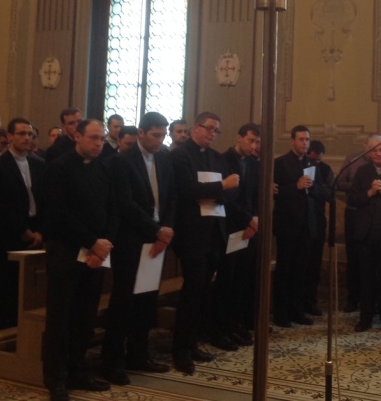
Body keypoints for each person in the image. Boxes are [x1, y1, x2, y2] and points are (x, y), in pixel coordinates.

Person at [41, 119, 118, 401]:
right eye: (93, 138)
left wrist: (104, 245)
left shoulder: (103, 168)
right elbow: (57, 215)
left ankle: (78, 369)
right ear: (77, 137)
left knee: (86, 316)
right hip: (65, 252)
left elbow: (113, 210)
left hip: (96, 254)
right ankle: (56, 378)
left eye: (102, 139)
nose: (99, 144)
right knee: (60, 318)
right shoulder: (58, 169)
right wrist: (92, 242)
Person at [101, 112, 176, 385]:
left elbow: (171, 197)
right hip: (131, 239)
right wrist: (156, 230)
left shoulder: (164, 158)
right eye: (156, 135)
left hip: (157, 240)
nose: (160, 140)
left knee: (147, 300)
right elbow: (125, 203)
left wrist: (165, 231)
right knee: (123, 301)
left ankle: (139, 355)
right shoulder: (122, 161)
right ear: (141, 133)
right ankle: (112, 361)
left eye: (163, 135)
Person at [170, 112, 240, 374]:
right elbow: (187, 191)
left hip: (214, 232)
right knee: (191, 293)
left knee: (202, 294)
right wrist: (220, 186)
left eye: (216, 130)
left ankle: (192, 343)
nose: (213, 134)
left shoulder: (216, 158)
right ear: (195, 128)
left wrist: (214, 192)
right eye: (209, 128)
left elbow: (230, 193)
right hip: (192, 234)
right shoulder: (181, 155)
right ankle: (180, 350)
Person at [0, 117, 45, 332]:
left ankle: (25, 333)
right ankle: (0, 332)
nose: (27, 138)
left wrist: (40, 230)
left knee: (29, 288)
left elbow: (44, 200)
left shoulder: (39, 164)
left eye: (30, 134)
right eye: (21, 134)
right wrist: (22, 230)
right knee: (5, 288)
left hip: (34, 229)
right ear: (9, 136)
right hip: (7, 234)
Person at [272, 125, 327, 328]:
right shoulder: (280, 163)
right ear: (292, 141)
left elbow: (322, 192)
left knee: (301, 271)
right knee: (285, 270)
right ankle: (281, 313)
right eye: (301, 139)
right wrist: (295, 187)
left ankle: (297, 310)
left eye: (307, 140)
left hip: (307, 226)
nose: (305, 143)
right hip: (287, 225)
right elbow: (274, 192)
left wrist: (313, 187)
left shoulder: (312, 164)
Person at [213, 123, 261, 347]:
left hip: (250, 228)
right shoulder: (223, 160)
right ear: (239, 137)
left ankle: (235, 324)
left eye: (257, 142)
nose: (253, 146)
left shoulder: (252, 163)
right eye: (250, 140)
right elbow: (226, 198)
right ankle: (220, 328)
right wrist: (248, 219)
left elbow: (257, 195)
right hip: (231, 227)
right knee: (227, 281)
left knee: (243, 280)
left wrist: (255, 220)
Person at [348, 134, 381, 334]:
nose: (379, 153)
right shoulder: (362, 172)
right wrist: (368, 193)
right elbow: (352, 199)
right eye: (375, 150)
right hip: (365, 235)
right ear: (369, 153)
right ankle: (365, 319)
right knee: (366, 278)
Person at [335, 142, 369, 313]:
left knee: (369, 260)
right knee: (353, 258)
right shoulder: (353, 159)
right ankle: (352, 298)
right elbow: (339, 183)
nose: (377, 152)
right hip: (354, 213)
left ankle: (368, 299)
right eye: (373, 148)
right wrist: (358, 186)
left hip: (372, 216)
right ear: (366, 146)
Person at [304, 140, 334, 317]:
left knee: (314, 265)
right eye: (313, 159)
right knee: (301, 265)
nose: (316, 163)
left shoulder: (326, 170)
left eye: (319, 160)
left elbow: (330, 195)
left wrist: (315, 187)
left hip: (318, 221)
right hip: (301, 222)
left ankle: (311, 301)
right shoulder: (300, 166)